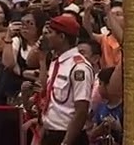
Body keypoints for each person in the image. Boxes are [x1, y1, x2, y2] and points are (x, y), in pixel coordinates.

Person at [39, 14, 95, 145]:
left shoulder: (79, 67)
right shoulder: (56, 62)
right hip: (49, 133)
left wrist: (66, 143)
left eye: (50, 33)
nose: (45, 37)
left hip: (68, 136)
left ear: (62, 37)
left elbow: (81, 110)